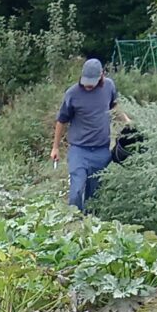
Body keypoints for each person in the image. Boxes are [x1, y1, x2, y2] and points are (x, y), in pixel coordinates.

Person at [50, 57, 121, 213]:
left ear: (101, 76)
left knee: (94, 197)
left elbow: (114, 107)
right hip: (79, 150)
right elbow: (61, 120)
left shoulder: (109, 87)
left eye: (92, 82)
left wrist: (128, 121)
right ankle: (74, 222)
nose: (88, 85)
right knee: (76, 192)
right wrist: (55, 148)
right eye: (86, 81)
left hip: (101, 150)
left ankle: (89, 229)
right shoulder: (72, 94)